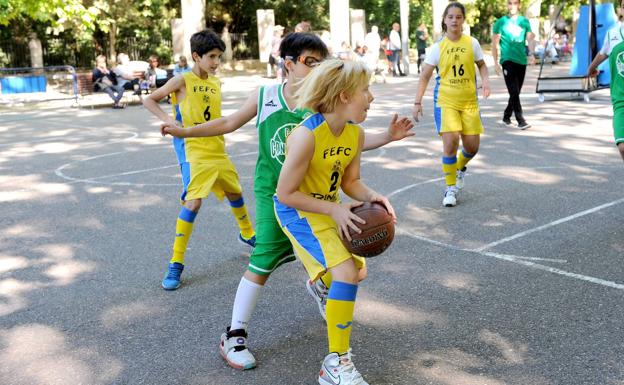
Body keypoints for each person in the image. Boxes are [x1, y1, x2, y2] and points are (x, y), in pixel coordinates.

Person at [161, 32, 413, 370]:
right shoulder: (266, 97)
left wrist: (387, 138)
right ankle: (234, 333)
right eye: (309, 62)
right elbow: (227, 123)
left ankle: (325, 285)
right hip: (276, 194)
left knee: (348, 267)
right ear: (289, 64)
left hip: (317, 197)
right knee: (266, 253)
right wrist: (184, 131)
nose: (316, 69)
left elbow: (347, 145)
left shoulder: (323, 106)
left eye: (320, 63)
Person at [274, 58, 396, 385]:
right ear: (344, 96)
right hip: (298, 211)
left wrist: (372, 196)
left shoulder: (354, 133)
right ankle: (336, 364)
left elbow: (350, 182)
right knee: (346, 275)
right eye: (365, 90)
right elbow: (285, 194)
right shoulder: (307, 136)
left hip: (328, 207)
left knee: (357, 271)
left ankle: (320, 285)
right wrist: (335, 211)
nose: (371, 97)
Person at [142, 29, 256, 290]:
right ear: (196, 56)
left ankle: (248, 234)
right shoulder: (181, 80)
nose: (217, 62)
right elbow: (149, 100)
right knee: (193, 203)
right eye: (212, 57)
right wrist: (169, 120)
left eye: (219, 57)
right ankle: (176, 263)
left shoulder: (216, 82)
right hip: (193, 149)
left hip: (216, 146)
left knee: (234, 191)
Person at [412, 2, 490, 207]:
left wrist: (486, 82)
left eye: (458, 16)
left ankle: (459, 168)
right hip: (446, 101)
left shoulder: (472, 43)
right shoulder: (437, 48)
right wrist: (417, 102)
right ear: (445, 20)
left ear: (463, 20)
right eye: (451, 17)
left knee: (472, 147)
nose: (454, 20)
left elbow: (482, 65)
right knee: (451, 143)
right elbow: (425, 76)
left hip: (469, 102)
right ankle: (450, 188)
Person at [587, 0, 624, 163]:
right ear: (620, 9)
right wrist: (591, 67)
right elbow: (603, 52)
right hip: (620, 97)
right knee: (623, 146)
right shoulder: (613, 33)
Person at [492, 0, 535, 130]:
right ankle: (520, 120)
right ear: (507, 5)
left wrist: (532, 54)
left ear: (519, 5)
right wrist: (495, 62)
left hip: (521, 60)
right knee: (514, 90)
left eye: (515, 3)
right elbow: (494, 44)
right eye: (510, 3)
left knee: (516, 91)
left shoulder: (524, 22)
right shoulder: (500, 22)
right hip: (507, 60)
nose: (512, 6)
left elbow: (530, 39)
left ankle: (506, 115)